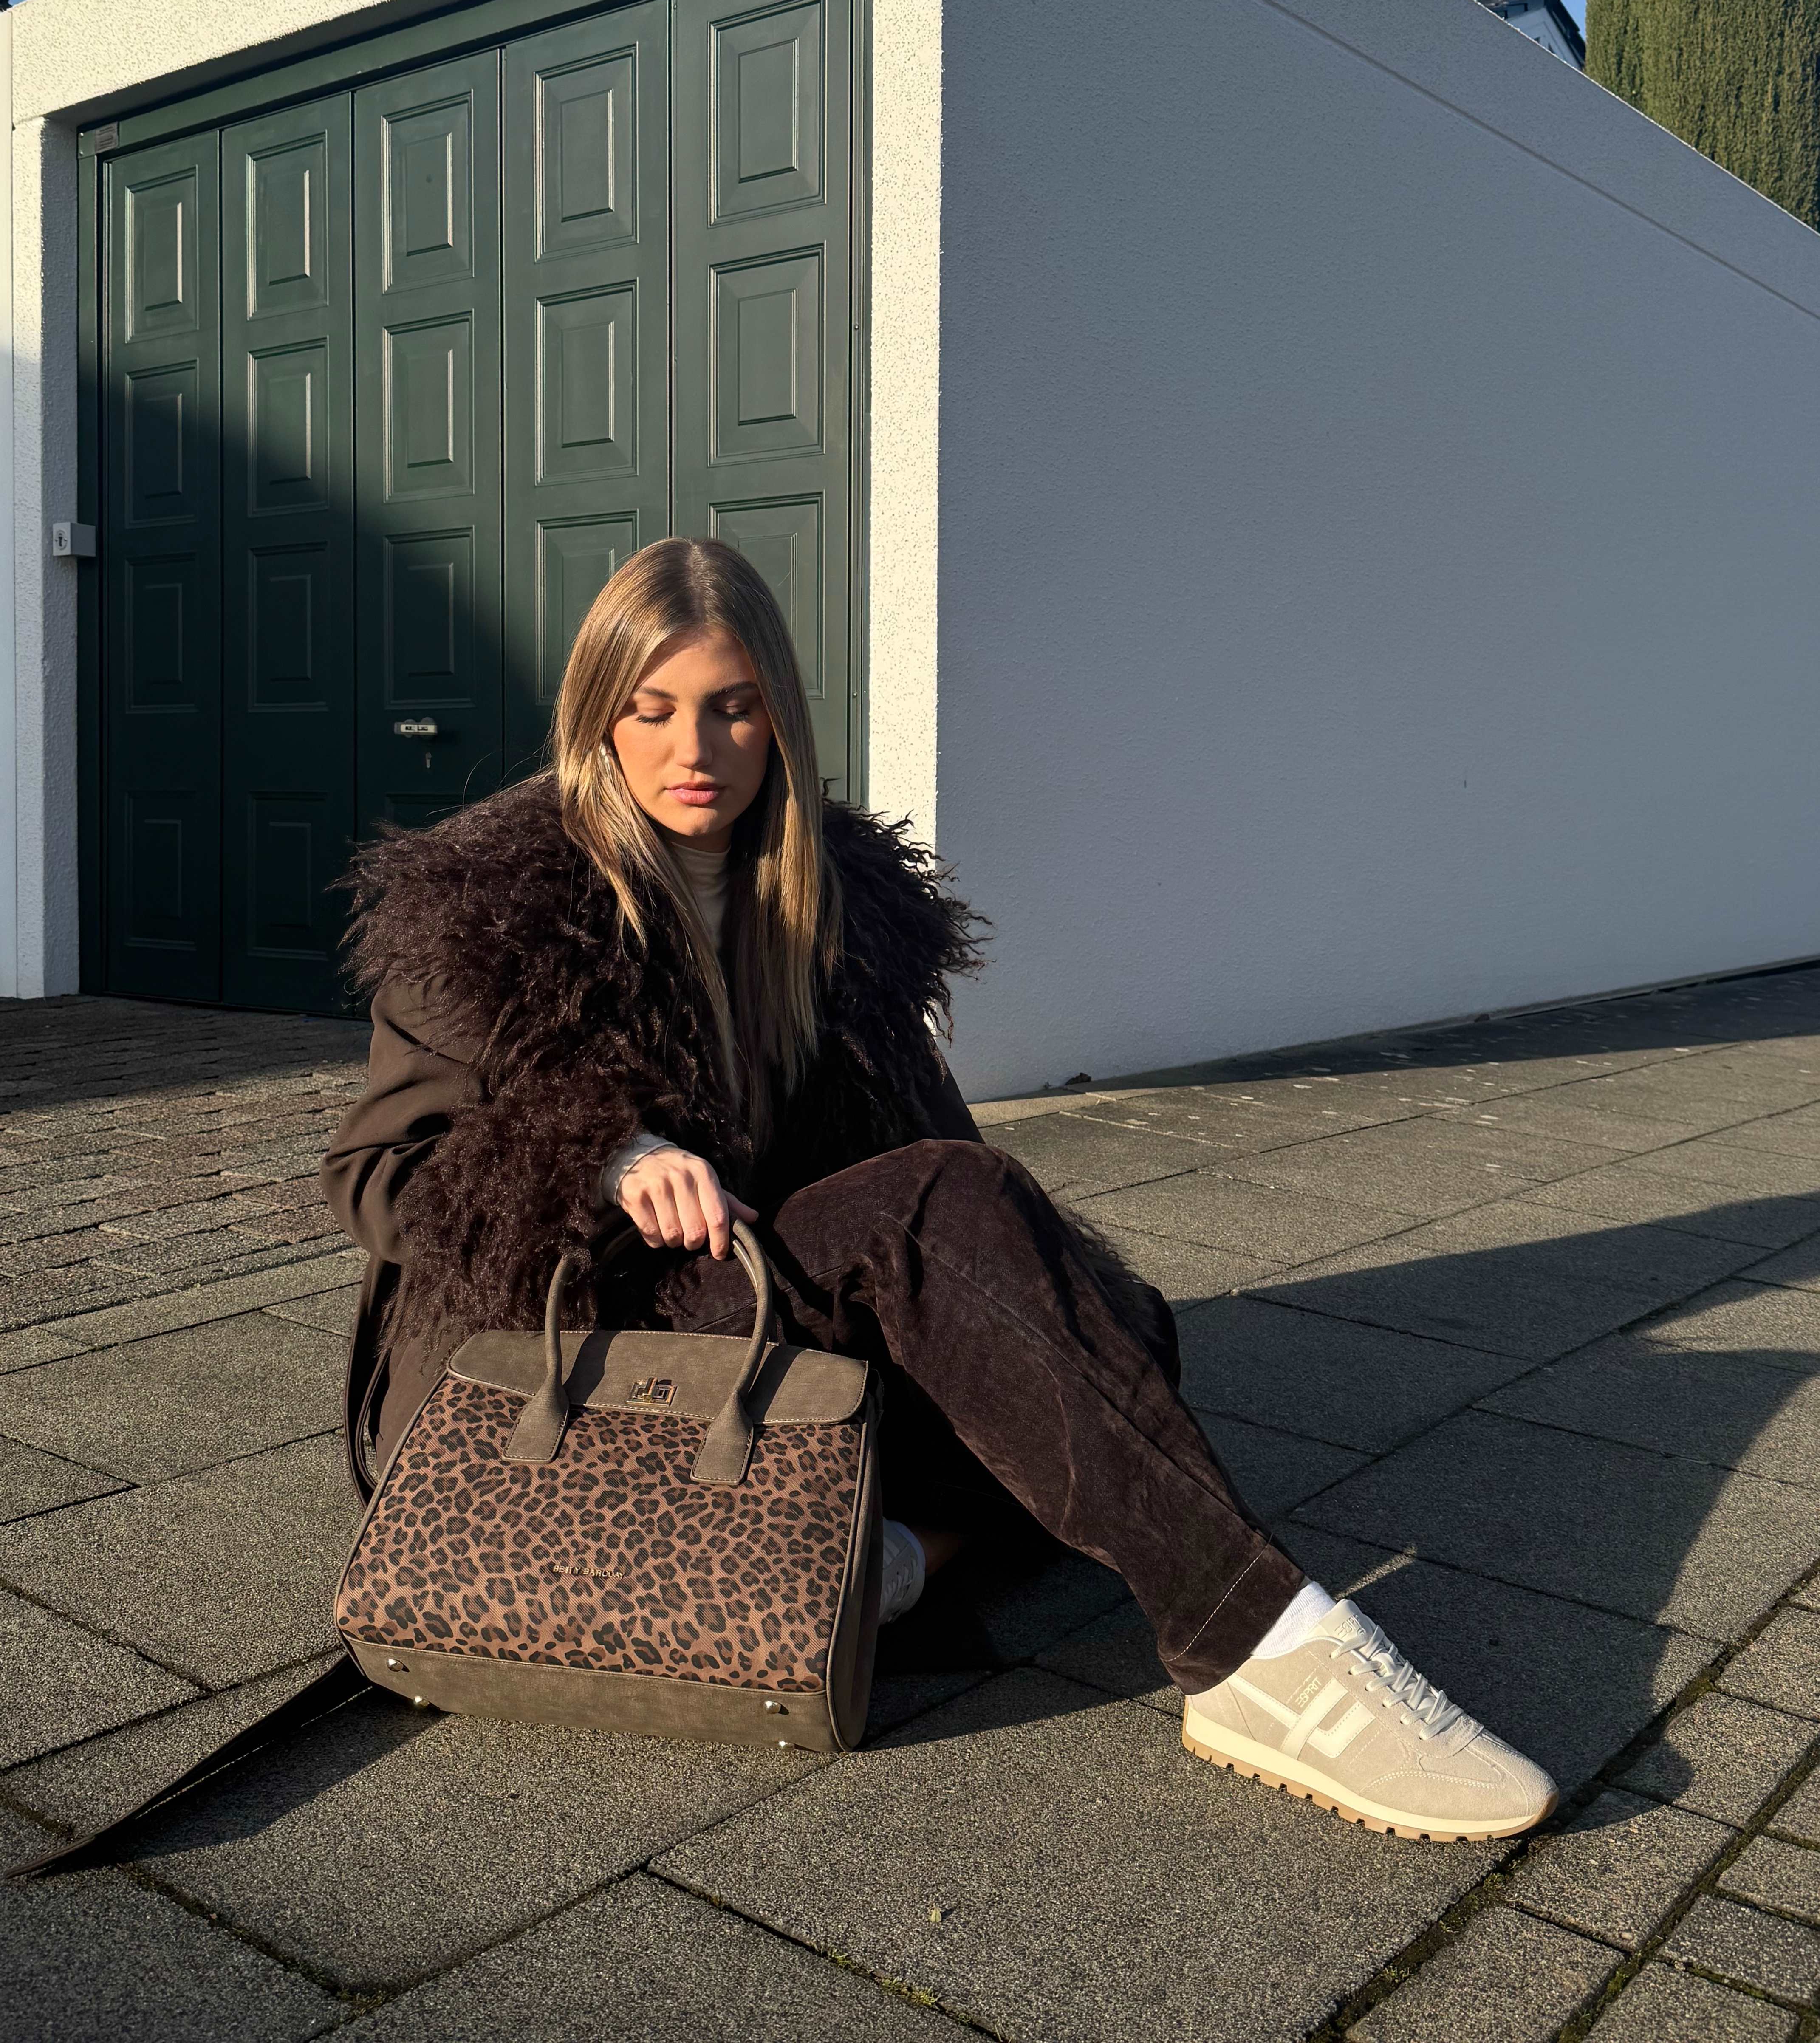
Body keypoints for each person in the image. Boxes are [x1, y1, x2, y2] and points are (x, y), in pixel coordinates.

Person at [321, 537, 1555, 1845]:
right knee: (1032, 1351)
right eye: (655, 707)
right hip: (549, 1357)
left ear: (779, 716)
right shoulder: (494, 904)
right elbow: (374, 1177)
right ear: (597, 715)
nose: (698, 746)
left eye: (735, 706)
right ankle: (1256, 1653)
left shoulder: (828, 904)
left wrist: (1047, 1296)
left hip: (739, 1303)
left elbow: (939, 1165)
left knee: (1112, 1343)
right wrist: (604, 1156)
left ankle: (888, 1566)